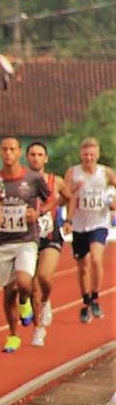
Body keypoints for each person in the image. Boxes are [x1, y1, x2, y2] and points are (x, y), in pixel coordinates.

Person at [0, 137, 53, 353]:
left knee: (24, 283)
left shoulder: (34, 179)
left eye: (12, 149)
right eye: (4, 149)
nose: (8, 153)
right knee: (8, 293)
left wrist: (38, 212)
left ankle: (25, 301)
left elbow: (52, 198)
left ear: (19, 154)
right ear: (0, 153)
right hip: (1, 242)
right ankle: (13, 334)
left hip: (26, 239)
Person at [25, 141, 74, 346]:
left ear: (46, 158)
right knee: (31, 286)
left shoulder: (56, 180)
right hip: (27, 236)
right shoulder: (21, 182)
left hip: (50, 235)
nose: (36, 158)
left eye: (40, 154)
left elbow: (69, 198)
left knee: (45, 277)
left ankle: (45, 302)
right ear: (27, 158)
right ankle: (38, 328)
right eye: (32, 154)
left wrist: (68, 220)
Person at [64, 137, 116, 323]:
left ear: (98, 154)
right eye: (86, 154)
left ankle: (95, 297)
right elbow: (66, 197)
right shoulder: (73, 172)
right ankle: (85, 302)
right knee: (83, 267)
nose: (89, 158)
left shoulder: (106, 173)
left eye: (92, 154)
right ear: (81, 154)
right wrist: (68, 220)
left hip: (99, 223)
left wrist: (112, 203)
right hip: (79, 225)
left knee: (96, 259)